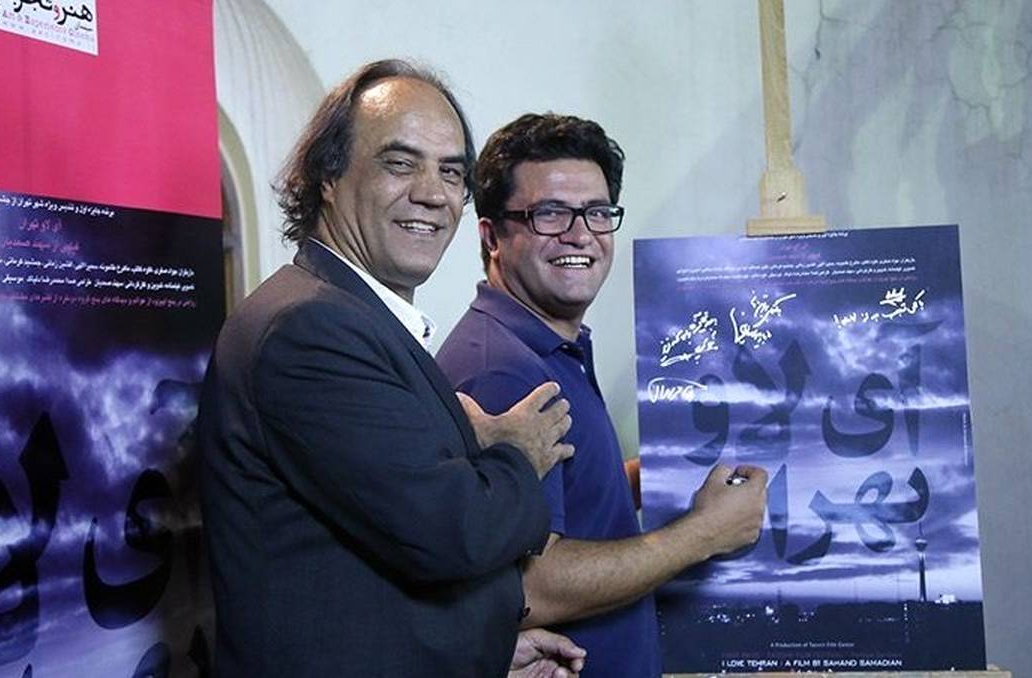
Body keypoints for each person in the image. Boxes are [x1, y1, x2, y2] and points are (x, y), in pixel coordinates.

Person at [196, 60, 585, 678]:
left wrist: (486, 650)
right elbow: (451, 533)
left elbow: (357, 574)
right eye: (400, 164)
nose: (432, 193)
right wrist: (519, 453)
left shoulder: (349, 315)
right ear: (327, 176)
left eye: (450, 172)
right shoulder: (309, 328)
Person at [436, 113, 768, 678]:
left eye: (596, 211)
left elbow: (556, 507)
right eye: (549, 213)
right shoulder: (504, 374)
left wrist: (632, 481)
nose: (580, 233)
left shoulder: (545, 347)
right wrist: (705, 533)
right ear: (492, 236)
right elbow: (533, 586)